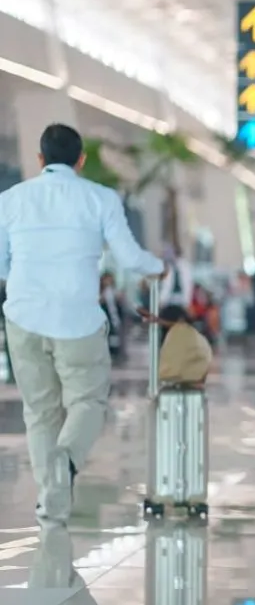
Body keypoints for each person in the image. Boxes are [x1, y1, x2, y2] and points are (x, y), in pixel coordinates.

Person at [0, 124, 163, 526]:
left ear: (40, 159)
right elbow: (129, 257)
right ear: (81, 160)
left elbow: (1, 265)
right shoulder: (101, 198)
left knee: (40, 413)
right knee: (88, 402)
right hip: (78, 319)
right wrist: (157, 267)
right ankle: (66, 461)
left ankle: (51, 504)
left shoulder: (11, 199)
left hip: (24, 317)